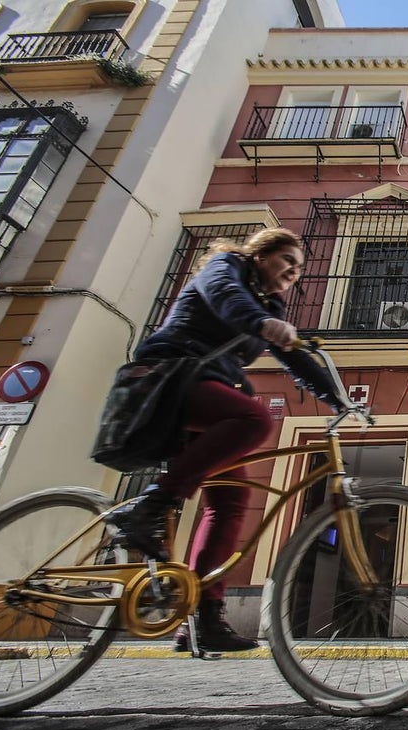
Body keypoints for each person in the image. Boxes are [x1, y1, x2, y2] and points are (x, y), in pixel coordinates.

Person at [108, 227, 343, 652]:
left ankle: (204, 619)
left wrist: (338, 399)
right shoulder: (226, 267)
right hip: (171, 377)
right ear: (260, 254)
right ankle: (149, 506)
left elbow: (295, 358)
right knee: (254, 418)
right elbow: (225, 297)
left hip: (206, 389)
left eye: (299, 267)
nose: (294, 271)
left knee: (230, 503)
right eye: (287, 259)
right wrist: (263, 323)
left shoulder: (268, 305)